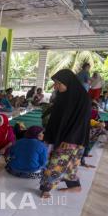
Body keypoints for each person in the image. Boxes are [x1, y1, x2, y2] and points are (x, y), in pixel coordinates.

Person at [40, 69, 92, 198]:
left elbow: (81, 122)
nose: (55, 86)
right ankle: (75, 186)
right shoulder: (63, 96)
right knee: (70, 165)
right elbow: (56, 119)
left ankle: (46, 189)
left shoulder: (83, 99)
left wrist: (69, 139)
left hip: (72, 139)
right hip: (61, 137)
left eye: (58, 83)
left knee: (56, 163)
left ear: (68, 82)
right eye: (55, 83)